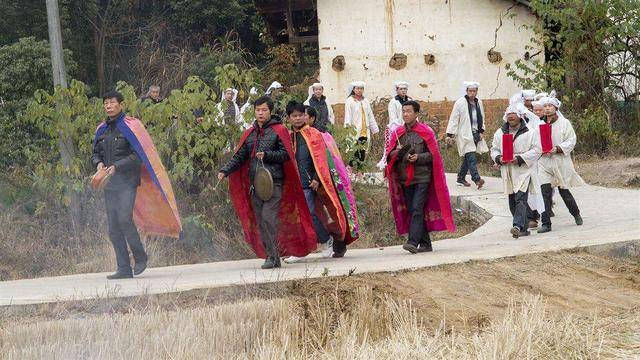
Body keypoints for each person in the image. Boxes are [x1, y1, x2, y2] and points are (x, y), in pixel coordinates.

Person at [217, 96, 316, 269]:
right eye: (258, 110)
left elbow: (286, 154)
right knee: (261, 221)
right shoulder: (249, 133)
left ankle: (273, 256)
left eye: (264, 110)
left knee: (269, 218)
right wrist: (225, 170)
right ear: (254, 112)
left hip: (274, 183)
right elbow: (240, 156)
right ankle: (272, 255)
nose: (261, 113)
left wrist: (268, 155)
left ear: (270, 111)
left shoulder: (279, 130)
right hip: (256, 184)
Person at [92, 91, 181, 279]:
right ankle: (123, 268)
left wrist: (117, 166)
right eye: (105, 103)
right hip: (109, 185)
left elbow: (138, 156)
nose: (108, 106)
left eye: (112, 102)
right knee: (113, 227)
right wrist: (98, 163)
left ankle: (140, 257)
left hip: (127, 182)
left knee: (124, 219)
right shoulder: (101, 129)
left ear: (120, 105)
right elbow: (95, 154)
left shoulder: (132, 126)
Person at [284, 102, 356, 262]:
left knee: (309, 213)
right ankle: (300, 249)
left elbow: (322, 159)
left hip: (310, 183)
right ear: (289, 118)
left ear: (305, 116)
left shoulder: (313, 134)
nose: (297, 118)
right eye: (294, 116)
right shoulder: (288, 137)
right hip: (295, 184)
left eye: (300, 115)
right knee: (297, 216)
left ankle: (326, 240)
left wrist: (317, 178)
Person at [385, 100, 456, 253]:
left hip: (422, 177)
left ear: (416, 113)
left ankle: (412, 241)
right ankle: (426, 244)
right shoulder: (397, 133)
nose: (405, 114)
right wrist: (397, 152)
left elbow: (433, 155)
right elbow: (389, 157)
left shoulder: (426, 132)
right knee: (413, 210)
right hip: (405, 178)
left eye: (409, 111)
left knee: (417, 208)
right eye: (403, 111)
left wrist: (418, 157)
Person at [304, 105, 361, 249]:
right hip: (308, 182)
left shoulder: (321, 136)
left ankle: (339, 244)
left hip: (327, 181)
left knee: (335, 211)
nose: (300, 119)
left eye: (304, 116)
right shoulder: (298, 136)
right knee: (316, 213)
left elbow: (328, 160)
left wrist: (319, 177)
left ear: (312, 118)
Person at [490, 105, 545, 238]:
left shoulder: (530, 132)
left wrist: (520, 158)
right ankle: (524, 228)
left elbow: (537, 150)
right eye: (508, 114)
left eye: (514, 114)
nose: (511, 116)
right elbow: (494, 149)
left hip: (523, 170)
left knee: (521, 199)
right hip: (508, 171)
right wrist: (498, 158)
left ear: (520, 116)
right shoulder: (500, 132)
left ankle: (517, 226)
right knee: (512, 200)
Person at [537, 94, 585, 233]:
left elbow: (571, 140)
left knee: (564, 191)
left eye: (550, 106)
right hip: (544, 162)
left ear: (556, 107)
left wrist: (557, 149)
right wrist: (541, 150)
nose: (547, 109)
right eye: (545, 106)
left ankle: (576, 213)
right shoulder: (539, 124)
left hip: (560, 162)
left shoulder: (565, 123)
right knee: (544, 192)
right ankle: (546, 223)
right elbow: (534, 140)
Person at [445, 81, 487, 189]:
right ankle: (477, 179)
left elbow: (482, 117)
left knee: (468, 158)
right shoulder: (460, 102)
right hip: (464, 134)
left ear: (477, 91)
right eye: (470, 91)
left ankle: (460, 178)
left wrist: (481, 131)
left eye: (474, 91)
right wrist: (449, 134)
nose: (472, 93)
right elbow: (454, 118)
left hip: (475, 133)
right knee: (471, 157)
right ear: (466, 91)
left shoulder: (479, 102)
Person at [343, 81, 379, 172]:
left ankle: (360, 170)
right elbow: (348, 115)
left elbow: (370, 115)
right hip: (354, 129)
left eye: (361, 88)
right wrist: (348, 129)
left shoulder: (365, 101)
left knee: (363, 150)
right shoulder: (350, 101)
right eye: (357, 88)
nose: (359, 90)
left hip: (364, 129)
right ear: (353, 89)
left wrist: (374, 129)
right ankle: (350, 167)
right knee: (354, 149)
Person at [377, 81, 412, 170]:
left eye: (405, 89)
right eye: (401, 89)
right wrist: (401, 128)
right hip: (395, 128)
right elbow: (393, 118)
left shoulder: (410, 101)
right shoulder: (393, 102)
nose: (403, 91)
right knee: (392, 150)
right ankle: (388, 170)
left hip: (408, 128)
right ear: (397, 90)